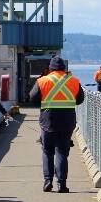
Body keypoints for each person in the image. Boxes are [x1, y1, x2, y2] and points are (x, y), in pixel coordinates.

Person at [29, 56, 84, 193]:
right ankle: (62, 184)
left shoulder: (42, 81)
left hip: (48, 121)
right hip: (67, 121)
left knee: (47, 151)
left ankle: (48, 181)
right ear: (64, 68)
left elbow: (32, 98)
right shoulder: (74, 81)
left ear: (50, 68)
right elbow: (80, 100)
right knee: (62, 152)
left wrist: (44, 104)